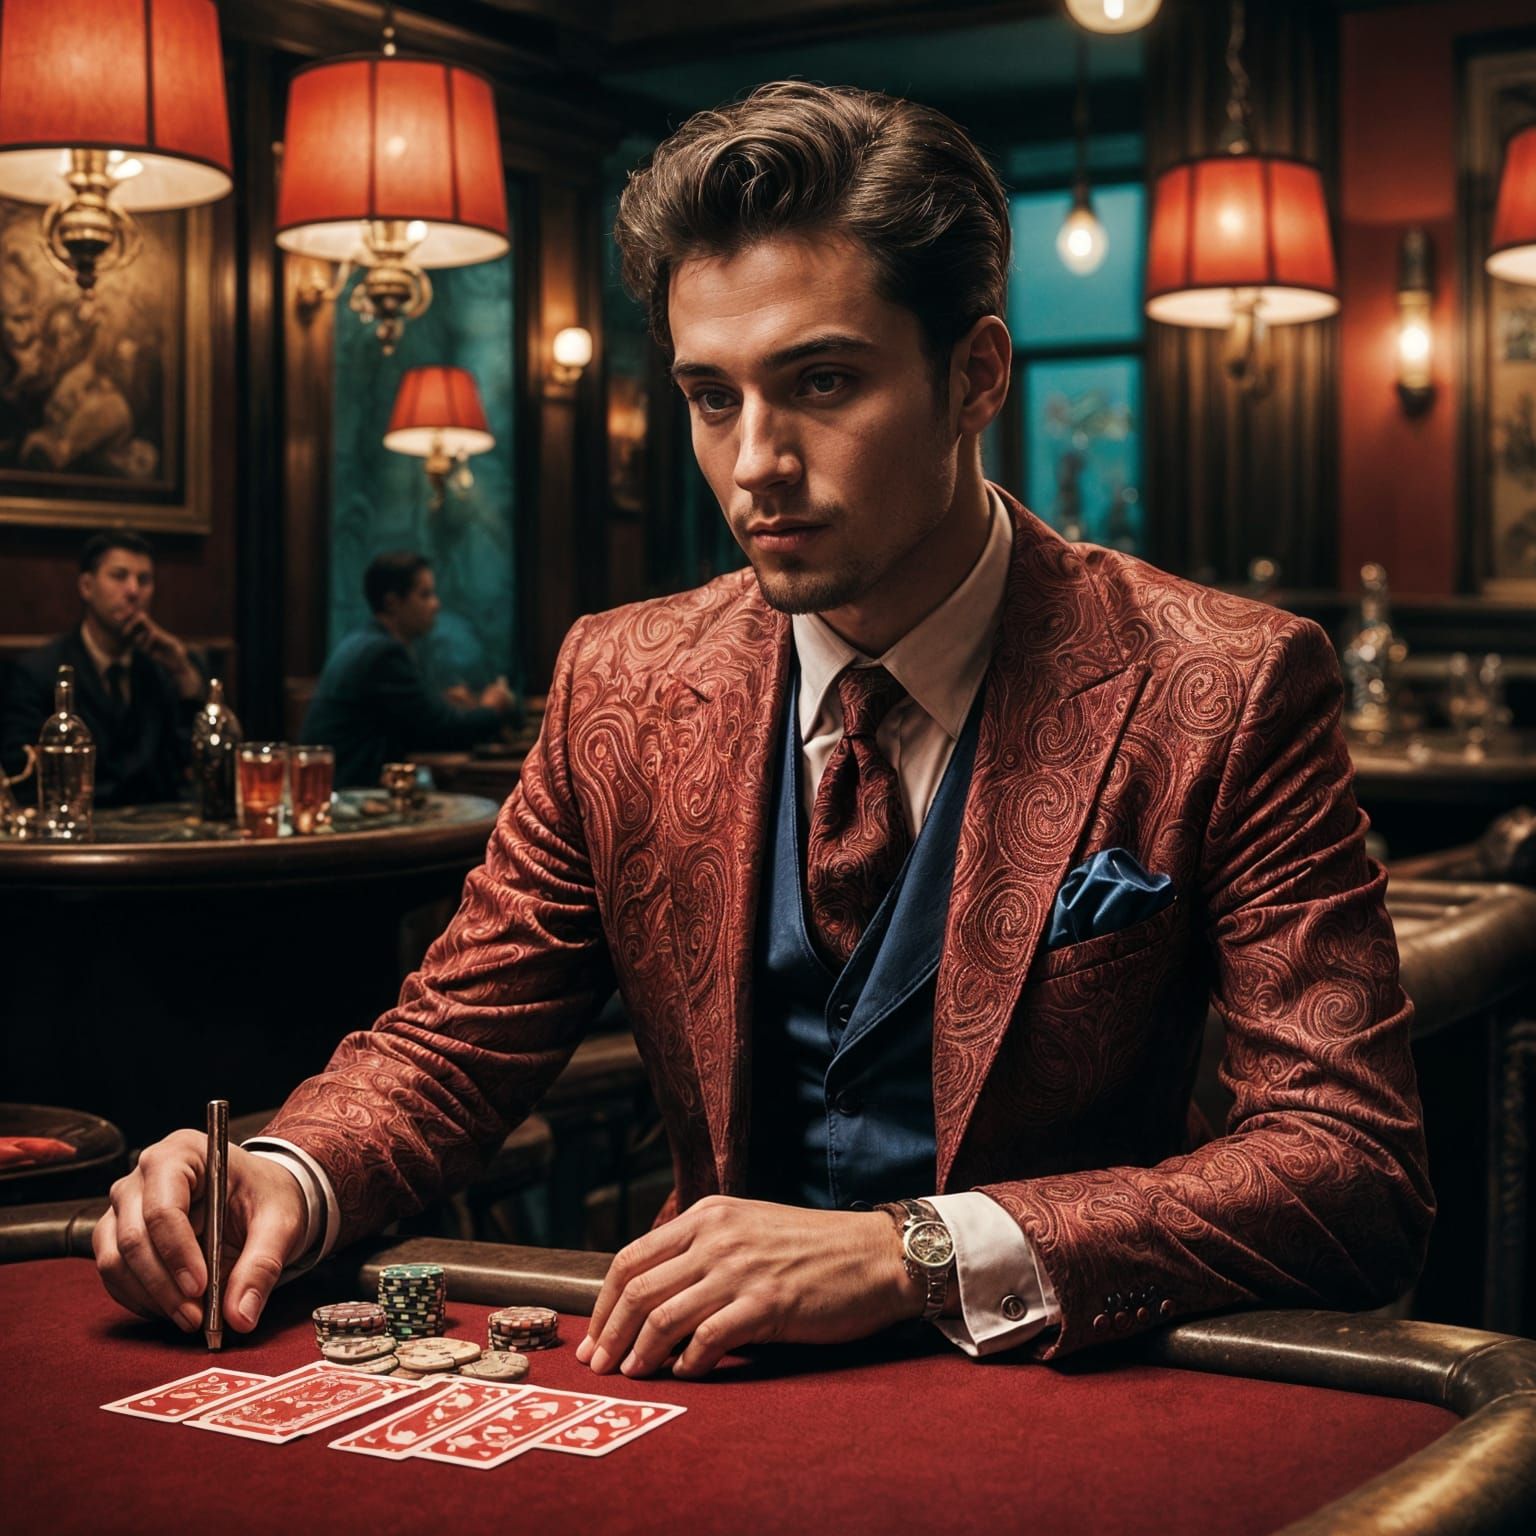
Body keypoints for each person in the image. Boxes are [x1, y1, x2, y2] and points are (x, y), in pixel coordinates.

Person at [95, 82, 1433, 1380]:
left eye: (823, 383)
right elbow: (454, 1041)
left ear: (976, 377)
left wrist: (914, 1254)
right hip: (715, 1392)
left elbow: (1351, 1164)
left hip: (1059, 1401)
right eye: (713, 396)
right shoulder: (621, 678)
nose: (755, 465)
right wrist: (282, 1173)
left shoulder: (1229, 685)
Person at [1, 530, 204, 805]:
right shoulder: (39, 672)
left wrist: (183, 673)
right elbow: (23, 778)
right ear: (86, 586)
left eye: (144, 580)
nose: (133, 591)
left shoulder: (159, 669)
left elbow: (191, 768)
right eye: (119, 576)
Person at [299, 551, 517, 788]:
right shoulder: (383, 653)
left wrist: (446, 703)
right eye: (425, 595)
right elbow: (439, 731)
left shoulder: (367, 641)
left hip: (342, 788)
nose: (436, 604)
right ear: (393, 602)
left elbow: (419, 718)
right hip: (349, 795)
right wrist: (492, 708)